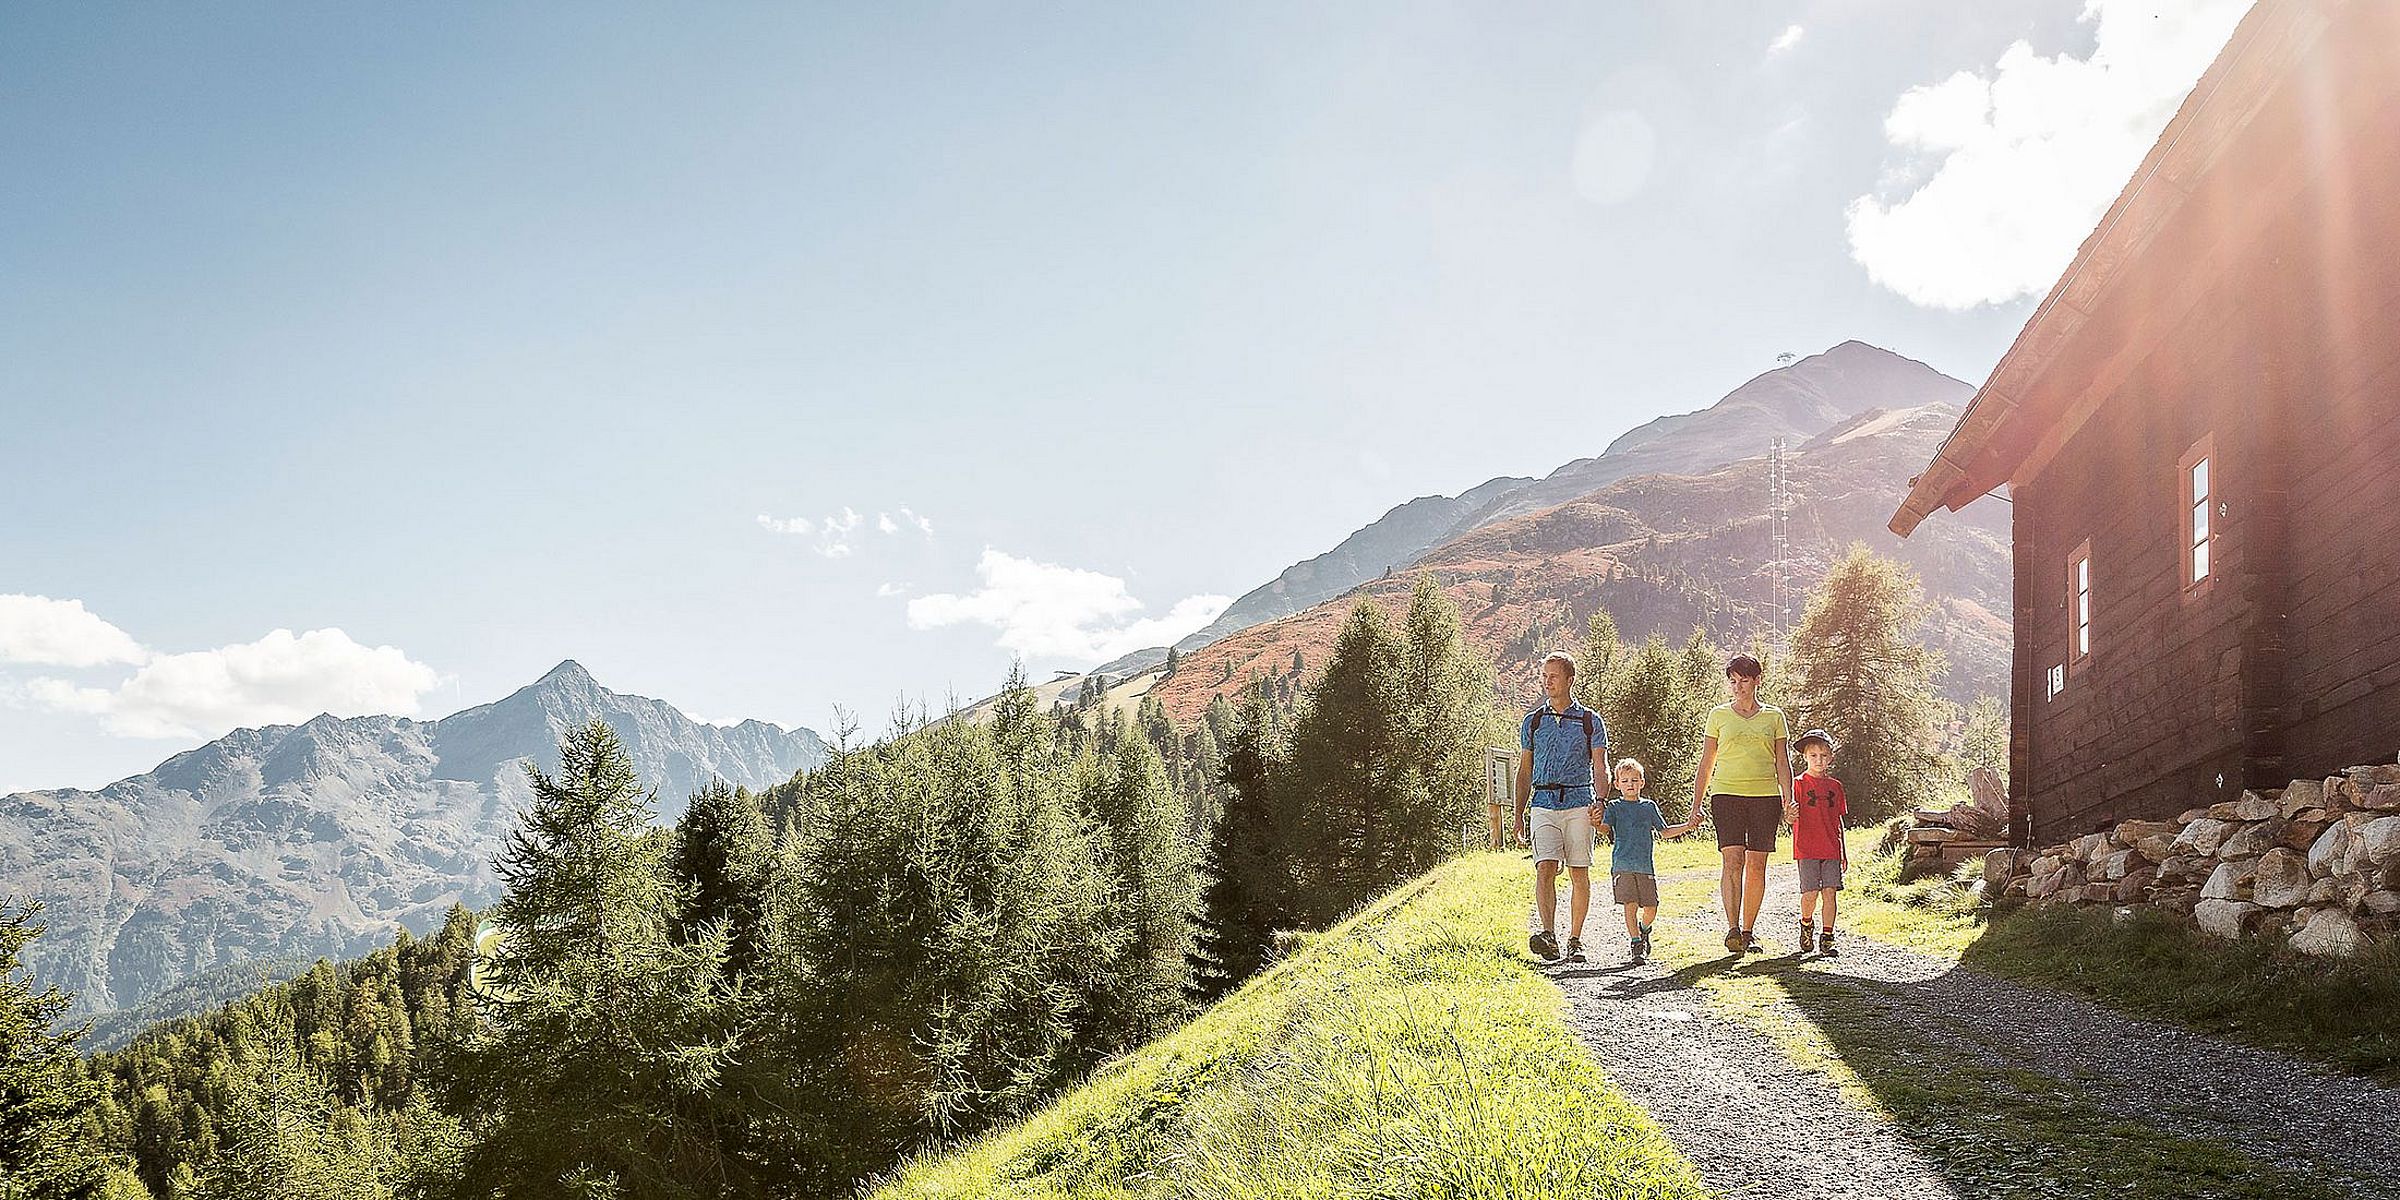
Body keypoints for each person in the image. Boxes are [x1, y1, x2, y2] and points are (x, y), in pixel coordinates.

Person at [1690, 654, 1792, 954]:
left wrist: (1789, 800)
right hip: (1727, 795)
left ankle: (1748, 931)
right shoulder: (1718, 716)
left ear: (1757, 680)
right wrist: (1696, 803)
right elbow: (1707, 762)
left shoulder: (1774, 717)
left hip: (1765, 798)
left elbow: (1783, 763)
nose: (1738, 687)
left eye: (1744, 681)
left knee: (1757, 866)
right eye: (1733, 682)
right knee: (1733, 861)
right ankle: (1732, 928)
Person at [1515, 651, 1609, 963]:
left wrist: (1601, 801)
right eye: (1544, 676)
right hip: (1542, 803)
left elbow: (1600, 765)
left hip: (1579, 803)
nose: (1547, 681)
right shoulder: (1533, 721)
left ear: (1570, 680)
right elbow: (1524, 770)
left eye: (1553, 676)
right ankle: (1549, 934)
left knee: (1578, 871)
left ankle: (1576, 939)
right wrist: (1518, 813)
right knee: (1545, 867)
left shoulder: (1589, 721)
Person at [1595, 758, 1700, 964]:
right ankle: (1636, 944)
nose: (1630, 785)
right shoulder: (1615, 807)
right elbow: (1604, 829)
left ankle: (1644, 930)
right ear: (1617, 784)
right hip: (1622, 865)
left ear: (1642, 782)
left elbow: (1665, 831)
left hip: (1645, 867)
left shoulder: (1649, 807)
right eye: (1624, 781)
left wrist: (1688, 826)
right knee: (1630, 904)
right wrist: (1593, 822)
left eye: (1634, 780)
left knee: (1651, 908)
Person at [1791, 729, 1848, 956]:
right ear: (1805, 756)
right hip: (1806, 847)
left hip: (1831, 847)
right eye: (1813, 755)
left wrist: (1843, 851)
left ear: (1831, 757)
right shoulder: (1798, 784)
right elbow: (1789, 815)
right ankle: (1806, 924)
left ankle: (1827, 937)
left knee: (1830, 893)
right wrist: (1788, 815)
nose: (1819, 760)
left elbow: (1839, 820)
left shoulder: (1835, 786)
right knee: (1810, 893)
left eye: (1823, 755)